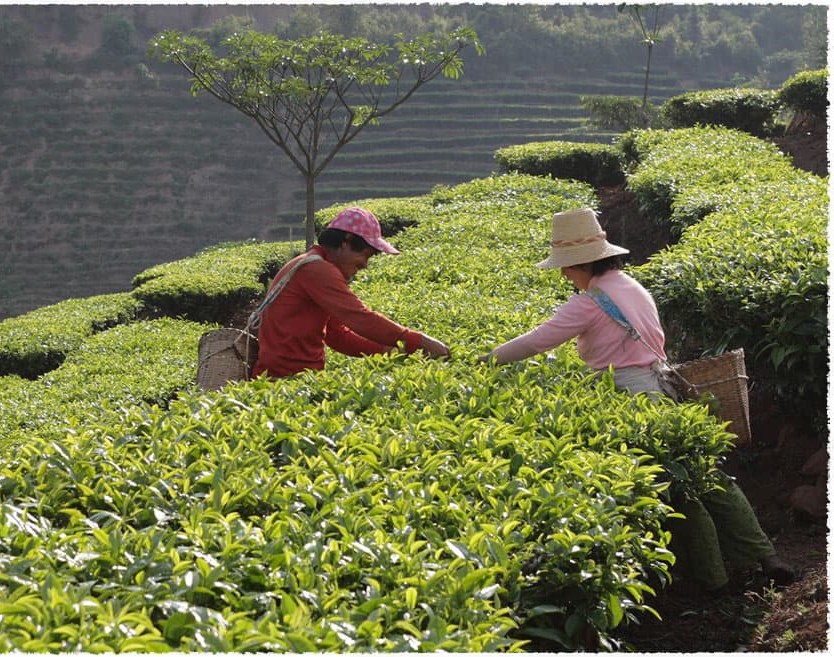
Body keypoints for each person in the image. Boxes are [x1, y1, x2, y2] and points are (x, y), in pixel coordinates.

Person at [478, 207, 794, 593]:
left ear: (582, 262)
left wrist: (486, 359)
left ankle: (713, 581)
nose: (563, 274)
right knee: (707, 476)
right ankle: (765, 556)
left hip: (633, 396)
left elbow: (537, 340)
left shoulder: (590, 302)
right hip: (663, 387)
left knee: (676, 486)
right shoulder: (631, 286)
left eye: (565, 266)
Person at [252, 206, 450, 378]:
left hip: (292, 376)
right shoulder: (319, 271)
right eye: (365, 255)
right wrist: (419, 341)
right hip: (283, 379)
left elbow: (337, 335)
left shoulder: (312, 264)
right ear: (345, 242)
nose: (364, 265)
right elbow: (360, 318)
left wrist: (392, 350)